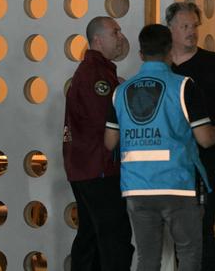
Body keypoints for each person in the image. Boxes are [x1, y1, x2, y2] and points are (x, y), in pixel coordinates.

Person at [104, 24, 215, 271]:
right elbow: (206, 138)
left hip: (136, 188)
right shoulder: (184, 86)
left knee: (148, 259)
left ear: (141, 54)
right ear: (169, 52)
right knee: (188, 253)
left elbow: (110, 142)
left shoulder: (120, 91)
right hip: (177, 185)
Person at [167, 2, 215, 271]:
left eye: (194, 26)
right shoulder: (161, 66)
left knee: (203, 228)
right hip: (170, 164)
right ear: (171, 29)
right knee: (177, 233)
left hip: (208, 160)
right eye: (184, 26)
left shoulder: (214, 63)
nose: (191, 32)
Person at [62, 16, 134, 271]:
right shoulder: (96, 76)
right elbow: (107, 122)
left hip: (87, 167)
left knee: (91, 236)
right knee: (114, 238)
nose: (121, 37)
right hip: (99, 168)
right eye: (115, 32)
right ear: (97, 40)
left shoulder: (99, 73)